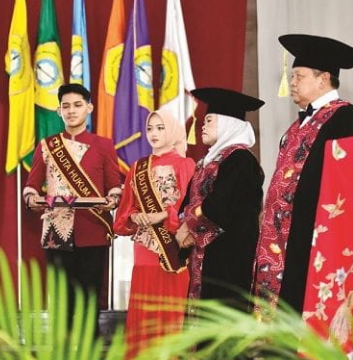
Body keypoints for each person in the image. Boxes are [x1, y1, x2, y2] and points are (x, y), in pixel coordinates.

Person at [253, 34, 353, 318]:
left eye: (299, 76)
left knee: (302, 305)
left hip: (313, 233)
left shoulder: (348, 119)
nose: (292, 82)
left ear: (323, 79)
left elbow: (351, 181)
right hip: (280, 235)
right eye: (292, 76)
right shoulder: (296, 125)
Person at [23, 83, 122, 332]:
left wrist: (113, 198)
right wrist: (31, 198)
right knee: (61, 299)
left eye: (77, 105)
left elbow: (114, 185)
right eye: (65, 106)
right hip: (57, 229)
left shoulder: (104, 145)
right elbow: (31, 185)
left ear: (89, 108)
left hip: (92, 229)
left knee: (90, 298)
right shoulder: (47, 145)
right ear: (58, 111)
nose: (71, 111)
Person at [114, 108, 195, 358]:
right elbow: (125, 212)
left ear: (171, 130)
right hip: (144, 249)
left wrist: (164, 214)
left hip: (173, 248)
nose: (154, 133)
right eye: (150, 128)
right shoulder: (137, 168)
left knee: (171, 305)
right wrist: (135, 216)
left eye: (160, 128)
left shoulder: (185, 165)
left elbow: (192, 208)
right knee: (145, 305)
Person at [176, 87, 265, 314]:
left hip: (228, 255)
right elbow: (188, 202)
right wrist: (183, 226)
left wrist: (189, 227)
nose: (202, 125)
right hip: (203, 253)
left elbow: (222, 205)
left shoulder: (241, 160)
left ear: (228, 124)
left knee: (223, 318)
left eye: (209, 120)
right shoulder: (204, 162)